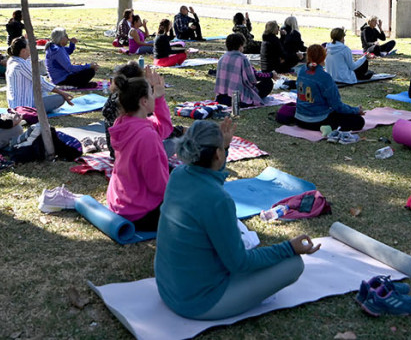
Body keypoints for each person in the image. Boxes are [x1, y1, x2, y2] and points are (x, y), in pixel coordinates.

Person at [155, 119, 318, 320]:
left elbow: (211, 171)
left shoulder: (179, 175)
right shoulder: (218, 200)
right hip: (198, 303)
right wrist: (289, 248)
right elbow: (239, 263)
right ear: (217, 155)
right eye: (222, 150)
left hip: (168, 289)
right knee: (294, 264)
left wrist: (224, 147)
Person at [106, 68, 173, 232]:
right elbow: (158, 185)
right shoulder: (146, 136)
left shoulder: (124, 122)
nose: (154, 97)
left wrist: (159, 98)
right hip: (139, 213)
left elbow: (164, 128)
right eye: (151, 94)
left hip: (121, 203)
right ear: (143, 101)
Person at [294, 44, 365, 131]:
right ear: (324, 57)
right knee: (359, 121)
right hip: (317, 120)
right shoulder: (324, 77)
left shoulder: (302, 70)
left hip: (299, 119)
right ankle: (329, 127)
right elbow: (337, 105)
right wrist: (356, 110)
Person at [5, 36, 74, 113]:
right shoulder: (20, 65)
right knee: (60, 98)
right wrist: (62, 93)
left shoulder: (12, 60)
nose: (31, 49)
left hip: (17, 103)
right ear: (23, 51)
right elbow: (41, 82)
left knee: (43, 91)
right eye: (29, 47)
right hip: (25, 106)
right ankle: (45, 109)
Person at [215, 33, 273, 107]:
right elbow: (253, 77)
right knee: (268, 82)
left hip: (222, 96)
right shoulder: (242, 59)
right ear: (240, 46)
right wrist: (270, 75)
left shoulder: (222, 58)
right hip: (239, 97)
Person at [103, 62, 145, 159]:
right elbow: (157, 130)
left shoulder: (114, 97)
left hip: (115, 152)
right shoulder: (136, 102)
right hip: (132, 154)